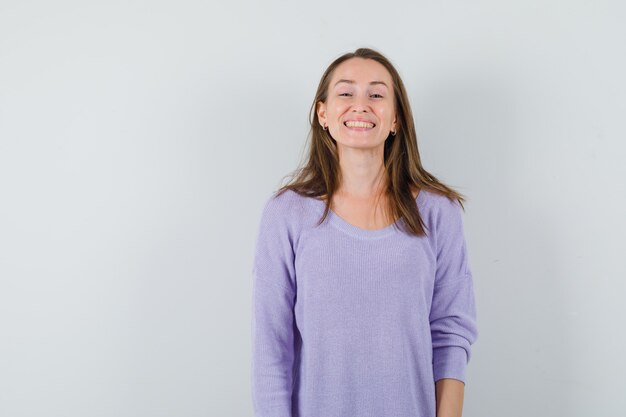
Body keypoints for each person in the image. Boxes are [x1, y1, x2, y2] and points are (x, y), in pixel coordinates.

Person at [250, 47, 478, 417]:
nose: (361, 105)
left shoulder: (438, 212)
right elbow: (272, 349)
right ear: (323, 113)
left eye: (376, 94)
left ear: (396, 119)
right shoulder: (286, 213)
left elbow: (451, 335)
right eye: (345, 93)